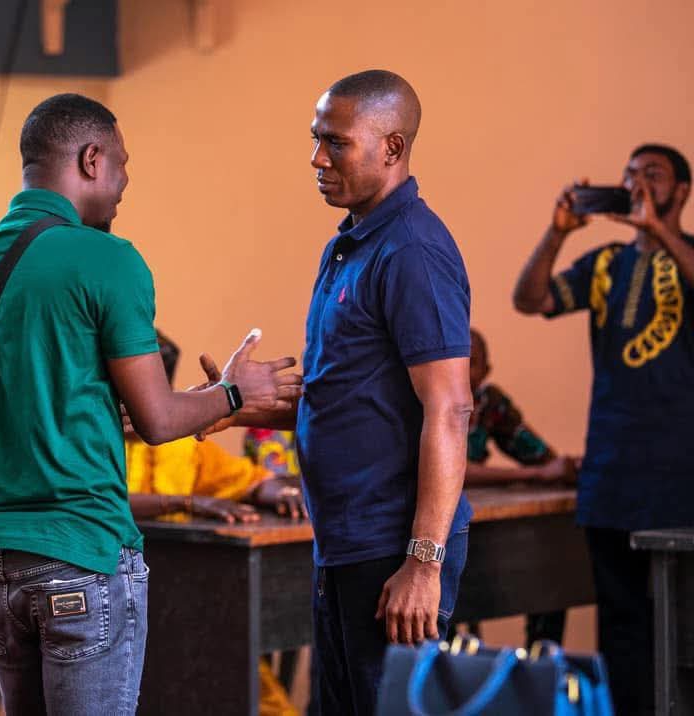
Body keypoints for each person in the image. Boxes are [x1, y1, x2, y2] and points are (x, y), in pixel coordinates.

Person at [0, 93, 300, 716]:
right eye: (122, 165)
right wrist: (236, 394)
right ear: (92, 159)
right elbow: (157, 421)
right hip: (79, 552)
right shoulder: (109, 260)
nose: (124, 183)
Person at [201, 69, 473, 714]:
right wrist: (226, 405)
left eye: (336, 142)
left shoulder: (411, 251)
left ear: (392, 147)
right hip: (344, 542)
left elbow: (450, 408)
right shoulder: (348, 247)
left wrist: (423, 563)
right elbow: (343, 398)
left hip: (392, 548)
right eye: (316, 138)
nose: (317, 158)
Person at [513, 143, 694, 715]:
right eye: (630, 173)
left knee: (683, 627)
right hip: (611, 476)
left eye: (653, 174)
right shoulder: (607, 264)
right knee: (621, 626)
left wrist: (659, 233)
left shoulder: (687, 255)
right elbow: (530, 299)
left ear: (682, 191)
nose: (638, 182)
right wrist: (558, 232)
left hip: (681, 479)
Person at [125, 332, 302, 716]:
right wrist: (185, 502)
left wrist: (279, 492)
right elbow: (97, 500)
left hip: (180, 600)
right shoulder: (87, 438)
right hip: (115, 603)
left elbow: (247, 480)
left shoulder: (178, 442)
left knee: (235, 669)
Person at [465, 327, 577, 646]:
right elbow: (450, 471)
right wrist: (535, 476)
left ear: (486, 370)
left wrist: (564, 468)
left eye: (471, 362)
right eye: (454, 359)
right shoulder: (420, 398)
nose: (460, 370)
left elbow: (537, 454)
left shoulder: (488, 403)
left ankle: (540, 664)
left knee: (552, 572)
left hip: (476, 529)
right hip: (427, 530)